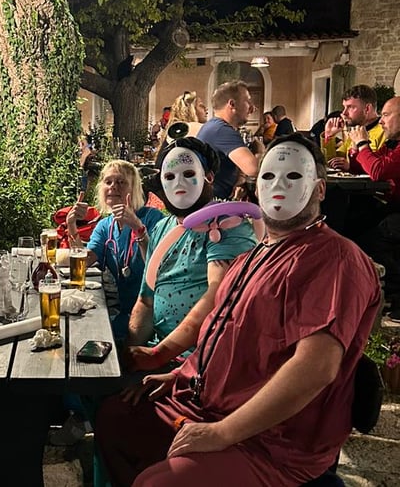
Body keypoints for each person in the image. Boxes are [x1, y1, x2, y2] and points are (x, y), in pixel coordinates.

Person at [95, 134, 382, 487]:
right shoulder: (255, 254)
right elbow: (224, 328)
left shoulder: (334, 259)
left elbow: (316, 367)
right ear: (255, 188)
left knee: (158, 484)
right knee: (115, 419)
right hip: (205, 403)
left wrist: (221, 433)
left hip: (272, 441)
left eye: (293, 176)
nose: (279, 185)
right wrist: (182, 373)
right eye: (268, 176)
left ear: (319, 189)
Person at [124, 137, 256, 369]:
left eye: (188, 173)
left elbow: (219, 295)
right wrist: (128, 361)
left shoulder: (228, 226)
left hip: (203, 362)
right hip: (160, 355)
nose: (179, 183)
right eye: (169, 176)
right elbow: (146, 301)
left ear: (209, 177)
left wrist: (158, 355)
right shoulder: (162, 228)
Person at [66, 160, 165, 342]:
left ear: (134, 189)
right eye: (108, 182)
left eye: (121, 182)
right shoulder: (105, 226)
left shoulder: (153, 218)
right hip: (125, 313)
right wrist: (71, 225)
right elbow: (85, 260)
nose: (113, 187)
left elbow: (158, 268)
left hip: (153, 314)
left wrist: (137, 228)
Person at [343, 96, 400, 319]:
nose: (382, 121)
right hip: (390, 205)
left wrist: (362, 145)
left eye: (386, 115)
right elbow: (367, 165)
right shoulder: (393, 144)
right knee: (352, 224)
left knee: (376, 237)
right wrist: (355, 151)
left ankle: (394, 295)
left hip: (396, 210)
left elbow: (378, 171)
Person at [197, 80, 262, 199]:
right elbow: (255, 169)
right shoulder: (221, 131)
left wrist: (240, 178)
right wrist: (259, 149)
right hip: (216, 204)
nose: (253, 108)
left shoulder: (214, 126)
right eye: (248, 101)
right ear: (232, 104)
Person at [323, 84, 385, 164]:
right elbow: (331, 162)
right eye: (344, 107)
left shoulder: (385, 132)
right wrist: (329, 135)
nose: (344, 113)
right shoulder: (355, 131)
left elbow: (380, 166)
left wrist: (349, 167)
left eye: (350, 107)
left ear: (367, 109)